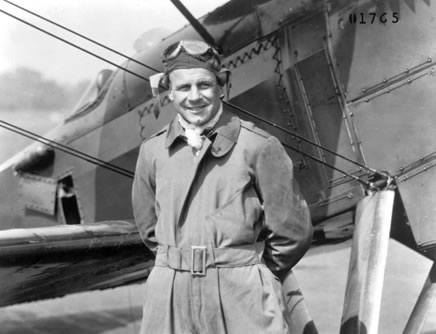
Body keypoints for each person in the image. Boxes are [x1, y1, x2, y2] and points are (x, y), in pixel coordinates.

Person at [132, 39, 313, 334]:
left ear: (222, 85)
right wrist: (177, 265)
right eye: (183, 88)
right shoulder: (152, 151)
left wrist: (252, 274)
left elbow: (292, 232)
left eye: (204, 85)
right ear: (168, 93)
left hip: (241, 294)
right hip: (170, 294)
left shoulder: (259, 146)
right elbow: (148, 227)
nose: (194, 97)